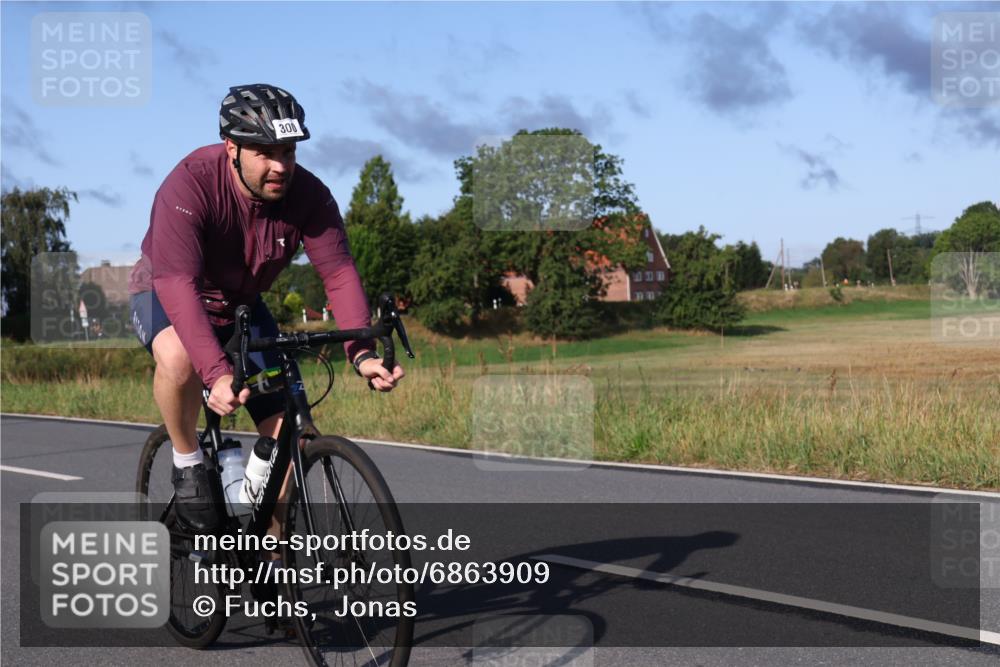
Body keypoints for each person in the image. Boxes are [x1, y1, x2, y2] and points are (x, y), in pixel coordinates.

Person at [128, 83, 405, 534]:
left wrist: (361, 351)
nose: (281, 165)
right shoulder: (190, 183)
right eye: (265, 152)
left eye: (289, 152)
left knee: (288, 434)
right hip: (166, 291)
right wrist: (216, 371)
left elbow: (337, 271)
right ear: (232, 147)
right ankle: (187, 461)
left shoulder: (309, 196)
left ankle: (270, 564)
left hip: (241, 305)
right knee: (180, 359)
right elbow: (178, 283)